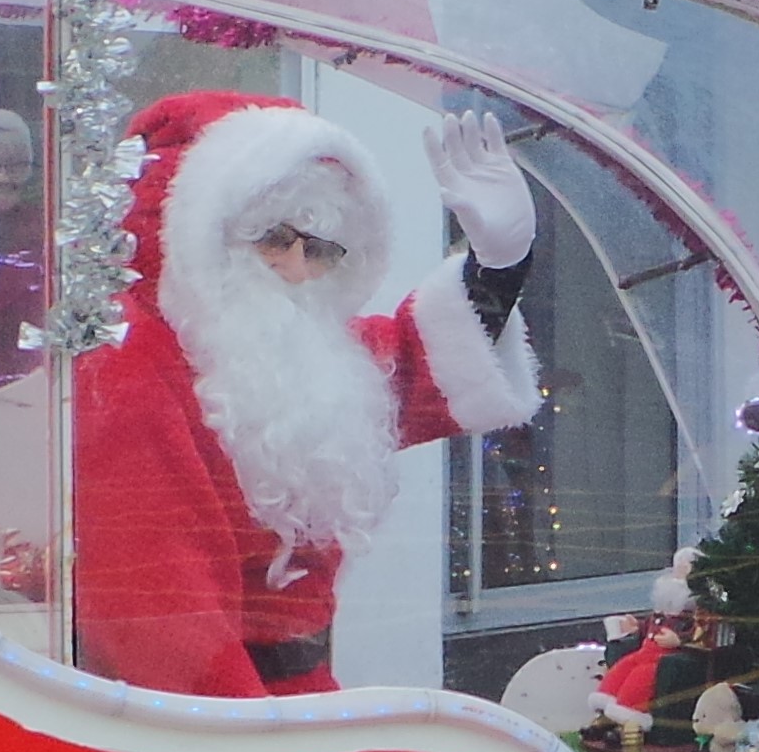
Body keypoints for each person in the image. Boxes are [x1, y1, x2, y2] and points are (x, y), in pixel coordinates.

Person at [74, 90, 545, 698]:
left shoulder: (288, 353)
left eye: (320, 249)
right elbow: (161, 618)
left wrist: (500, 265)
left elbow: (407, 363)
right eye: (275, 239)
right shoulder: (132, 368)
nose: (297, 270)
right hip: (218, 723)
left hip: (300, 708)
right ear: (199, 234)